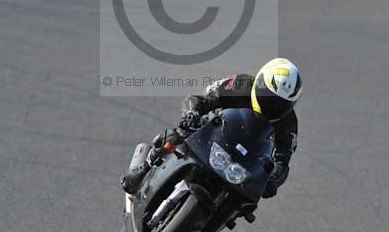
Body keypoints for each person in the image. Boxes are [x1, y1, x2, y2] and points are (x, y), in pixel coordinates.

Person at [121, 58, 302, 202]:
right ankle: (143, 169)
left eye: (281, 104)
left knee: (244, 202)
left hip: (245, 159)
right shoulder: (242, 84)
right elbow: (201, 100)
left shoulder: (289, 123)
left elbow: (282, 161)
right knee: (178, 133)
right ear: (260, 83)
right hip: (213, 133)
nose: (273, 106)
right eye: (270, 97)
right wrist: (191, 113)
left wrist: (273, 180)